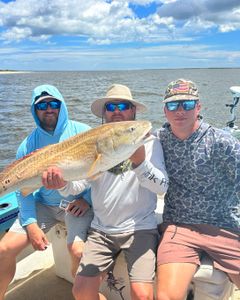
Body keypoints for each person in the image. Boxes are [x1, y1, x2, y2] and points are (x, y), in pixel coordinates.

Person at [42, 83, 169, 300]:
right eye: (111, 106)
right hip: (102, 231)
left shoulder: (149, 142)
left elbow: (162, 187)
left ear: (133, 110)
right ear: (104, 113)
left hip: (140, 229)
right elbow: (78, 185)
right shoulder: (94, 143)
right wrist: (61, 184)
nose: (117, 110)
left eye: (123, 105)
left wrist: (140, 163)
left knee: (143, 295)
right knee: (80, 291)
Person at [0, 84, 93, 300]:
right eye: (42, 105)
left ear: (62, 105)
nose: (49, 109)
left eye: (53, 103)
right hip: (43, 206)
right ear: (34, 110)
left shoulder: (83, 132)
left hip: (76, 206)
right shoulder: (27, 145)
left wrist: (87, 200)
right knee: (4, 249)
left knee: (78, 253)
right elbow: (23, 191)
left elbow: (99, 172)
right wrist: (31, 224)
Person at [155, 78, 240, 300]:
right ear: (165, 110)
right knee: (166, 297)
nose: (180, 110)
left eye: (187, 104)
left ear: (199, 107)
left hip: (225, 227)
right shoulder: (157, 139)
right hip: (179, 228)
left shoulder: (222, 142)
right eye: (173, 105)